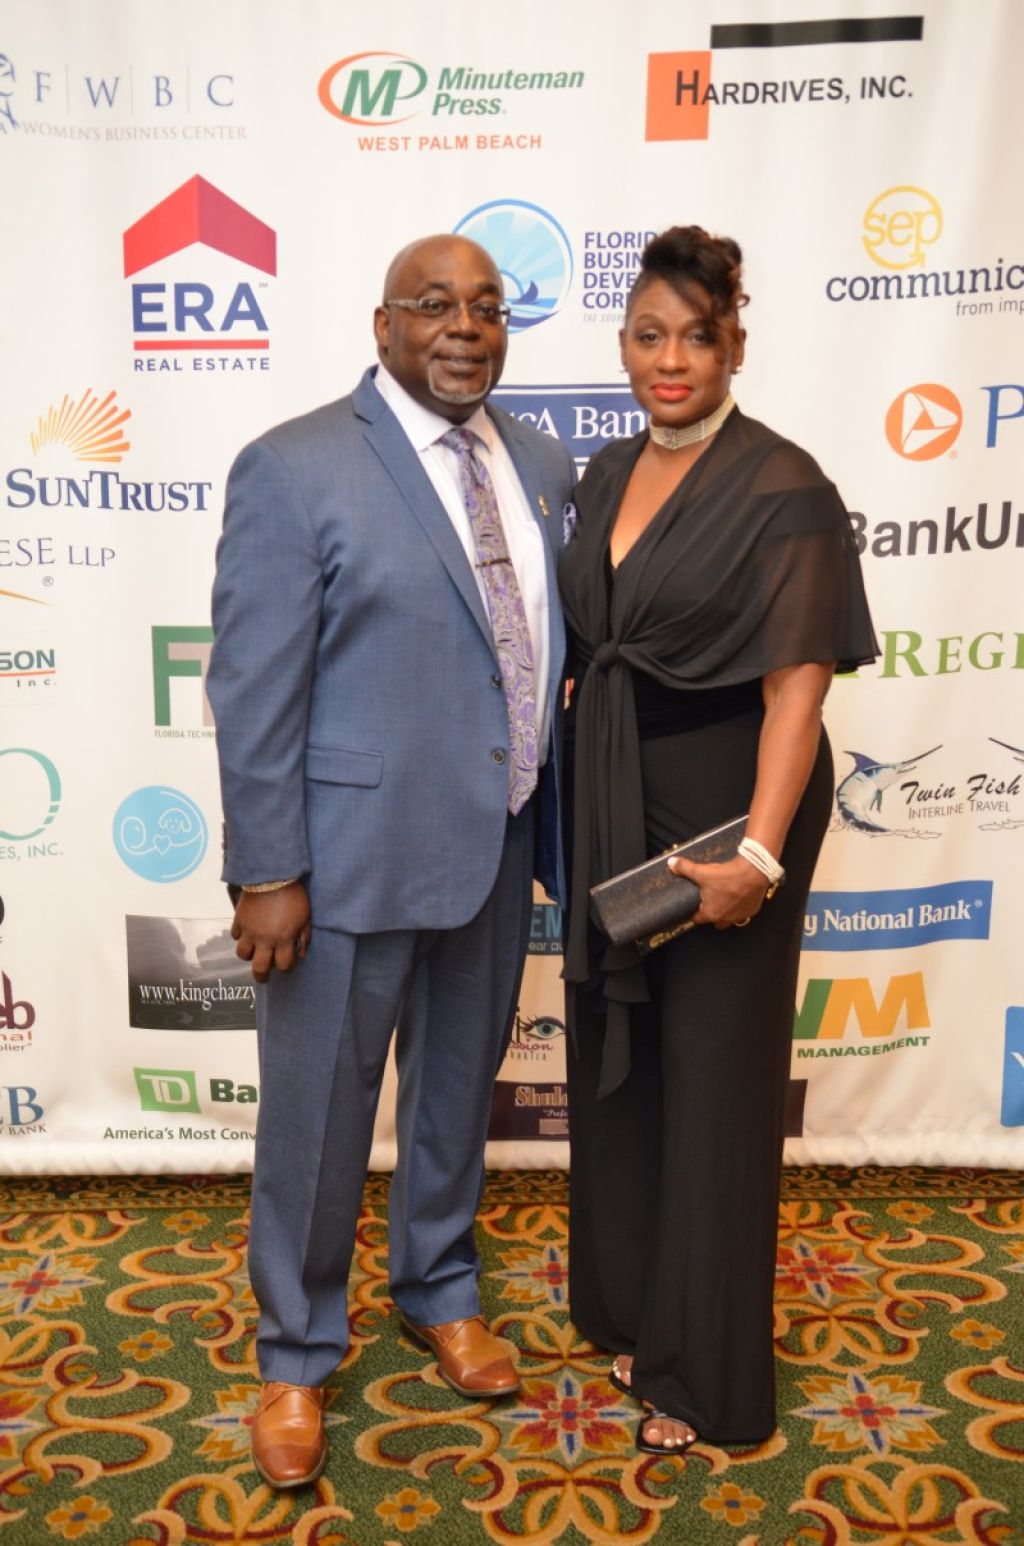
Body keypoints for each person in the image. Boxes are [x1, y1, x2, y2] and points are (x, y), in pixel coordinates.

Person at [207, 234, 575, 1488]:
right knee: (316, 1120)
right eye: (434, 304)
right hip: (342, 862)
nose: (465, 326)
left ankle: (440, 1285)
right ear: (383, 326)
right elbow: (253, 686)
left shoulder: (538, 460)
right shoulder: (294, 465)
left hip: (495, 840)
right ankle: (297, 1352)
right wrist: (268, 870)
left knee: (454, 1094)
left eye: (487, 306)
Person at [558, 226, 877, 1456]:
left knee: (715, 1081)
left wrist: (758, 856)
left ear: (734, 342)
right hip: (615, 802)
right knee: (623, 1061)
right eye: (649, 335)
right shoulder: (601, 473)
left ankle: (707, 1376)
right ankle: (640, 1313)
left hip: (734, 809)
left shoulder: (783, 484)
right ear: (622, 344)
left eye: (697, 335)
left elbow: (797, 692)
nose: (671, 359)